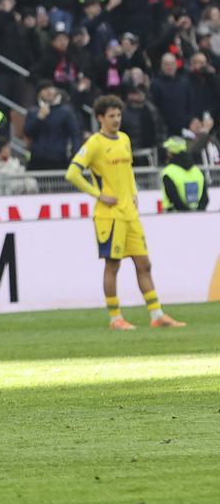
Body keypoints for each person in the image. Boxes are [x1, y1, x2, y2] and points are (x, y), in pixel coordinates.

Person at [65, 95, 185, 330]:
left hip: (129, 213)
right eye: (111, 116)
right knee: (113, 265)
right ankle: (115, 318)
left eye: (118, 115)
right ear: (100, 118)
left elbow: (128, 169)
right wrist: (98, 194)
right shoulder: (94, 144)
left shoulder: (125, 140)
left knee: (144, 263)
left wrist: (133, 192)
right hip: (108, 215)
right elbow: (72, 173)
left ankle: (157, 314)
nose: (116, 120)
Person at [160, 136, 208, 212]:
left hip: (173, 217)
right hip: (198, 217)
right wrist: (197, 213)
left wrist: (186, 213)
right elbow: (205, 199)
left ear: (170, 153)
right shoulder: (198, 171)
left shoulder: (168, 172)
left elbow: (173, 198)